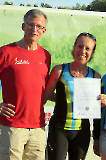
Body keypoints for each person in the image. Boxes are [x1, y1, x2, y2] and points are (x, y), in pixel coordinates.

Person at [44, 32, 106, 160]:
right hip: (58, 129)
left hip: (81, 131)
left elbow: (97, 114)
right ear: (74, 47)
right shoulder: (59, 70)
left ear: (92, 53)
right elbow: (46, 96)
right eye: (80, 46)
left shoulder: (96, 76)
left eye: (88, 48)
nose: (83, 51)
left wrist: (101, 103)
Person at [0, 9, 51, 160]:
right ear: (23, 26)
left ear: (44, 30)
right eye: (30, 24)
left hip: (38, 128)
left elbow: (44, 89)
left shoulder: (45, 56)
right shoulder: (6, 52)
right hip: (12, 126)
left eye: (39, 26)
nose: (34, 29)